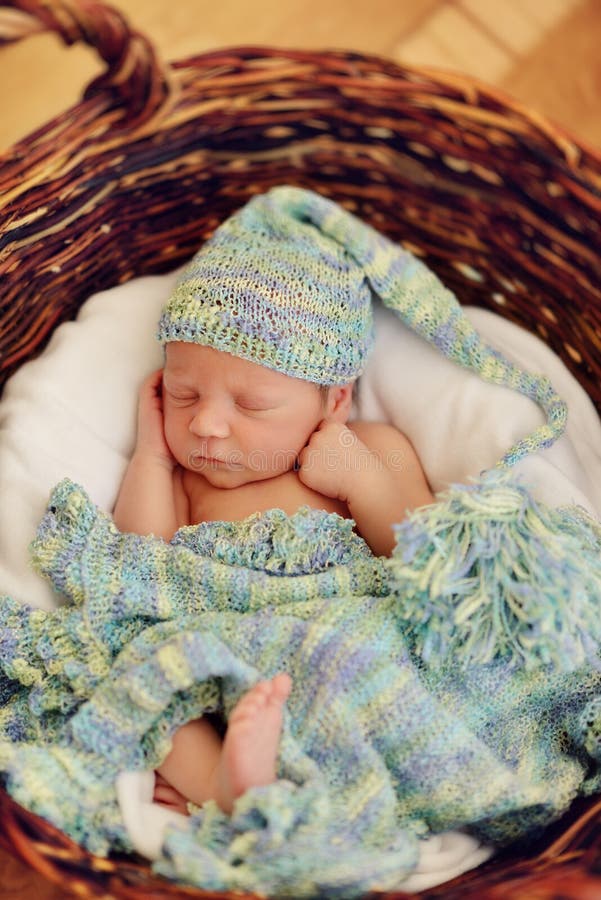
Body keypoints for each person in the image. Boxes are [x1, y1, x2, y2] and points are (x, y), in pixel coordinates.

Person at [113, 185, 434, 816]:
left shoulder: (374, 448)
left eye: (252, 404)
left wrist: (364, 484)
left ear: (333, 400)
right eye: (182, 394)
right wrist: (151, 453)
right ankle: (228, 786)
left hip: (349, 651)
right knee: (137, 667)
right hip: (229, 656)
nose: (206, 425)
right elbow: (139, 571)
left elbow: (428, 559)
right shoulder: (188, 479)